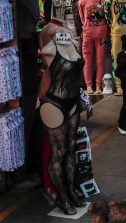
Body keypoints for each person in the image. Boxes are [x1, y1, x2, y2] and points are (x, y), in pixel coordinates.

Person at [38, 20, 88, 215]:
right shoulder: (49, 48)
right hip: (54, 104)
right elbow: (44, 33)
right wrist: (55, 27)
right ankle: (61, 197)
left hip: (73, 102)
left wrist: (84, 98)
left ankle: (71, 190)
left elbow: (78, 77)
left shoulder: (74, 44)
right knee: (59, 152)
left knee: (71, 149)